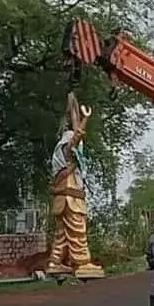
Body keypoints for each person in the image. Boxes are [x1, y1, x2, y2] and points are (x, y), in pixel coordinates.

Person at [45, 91, 104, 277]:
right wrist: (85, 119)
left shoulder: (58, 148)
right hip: (70, 196)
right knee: (78, 229)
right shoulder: (68, 141)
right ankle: (83, 263)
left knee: (62, 233)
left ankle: (55, 263)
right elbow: (74, 142)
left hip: (63, 195)